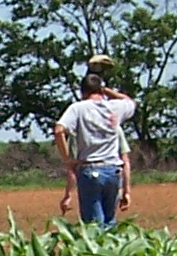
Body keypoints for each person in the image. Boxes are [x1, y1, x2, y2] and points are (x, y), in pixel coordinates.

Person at [55, 70, 135, 227]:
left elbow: (59, 130)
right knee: (109, 222)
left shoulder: (78, 108)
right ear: (100, 90)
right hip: (113, 170)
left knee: (94, 225)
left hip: (90, 169)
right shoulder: (115, 107)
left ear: (82, 92)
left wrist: (68, 160)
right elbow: (129, 101)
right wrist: (106, 90)